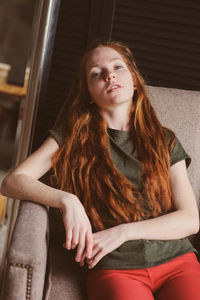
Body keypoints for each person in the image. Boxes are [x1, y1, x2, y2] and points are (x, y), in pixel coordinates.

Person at [1, 40, 200, 300]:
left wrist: (122, 232)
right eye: (97, 73)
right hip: (116, 267)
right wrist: (67, 200)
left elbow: (190, 219)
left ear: (135, 81)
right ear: (89, 94)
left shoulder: (165, 140)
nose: (109, 75)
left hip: (178, 262)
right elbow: (13, 181)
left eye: (118, 67)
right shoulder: (73, 136)